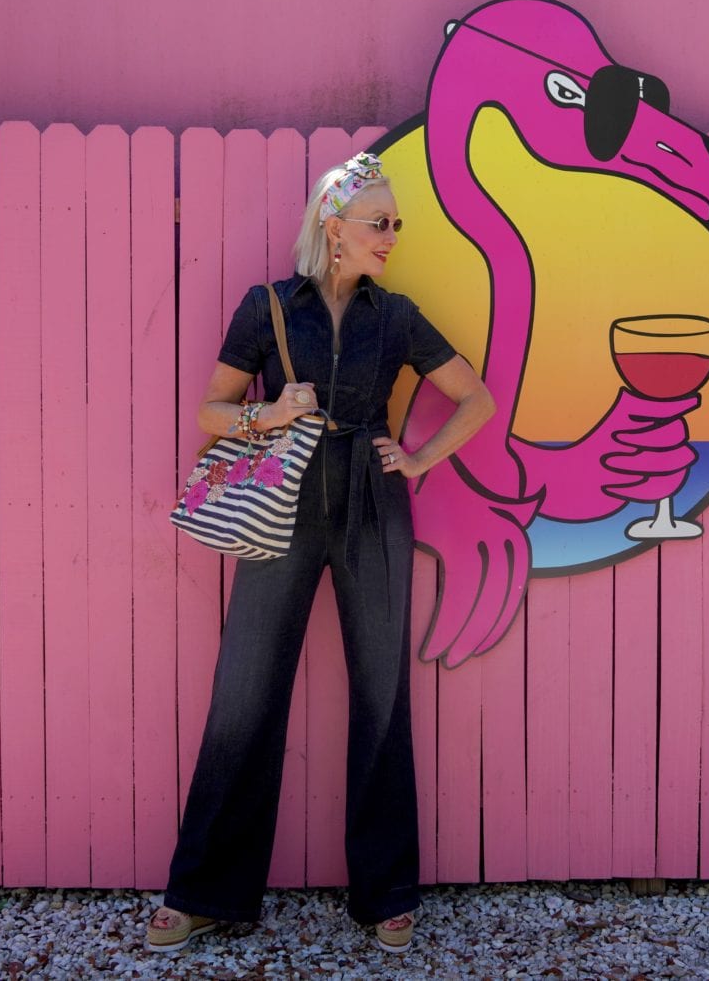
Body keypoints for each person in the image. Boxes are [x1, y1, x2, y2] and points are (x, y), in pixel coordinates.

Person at [146, 152, 495, 954]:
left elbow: (475, 397)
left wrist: (418, 458)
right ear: (333, 228)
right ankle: (202, 890)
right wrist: (268, 414)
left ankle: (385, 896)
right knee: (245, 692)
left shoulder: (397, 315)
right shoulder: (269, 306)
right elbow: (210, 408)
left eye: (398, 223)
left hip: (375, 505)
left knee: (381, 694)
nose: (393, 236)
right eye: (381, 222)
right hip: (282, 504)